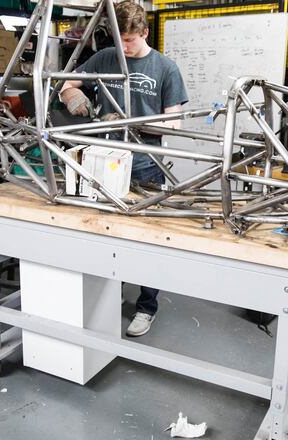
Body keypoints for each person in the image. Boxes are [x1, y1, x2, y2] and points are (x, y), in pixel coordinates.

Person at [60, 0, 188, 337]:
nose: (124, 48)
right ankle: (108, 295)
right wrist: (73, 96)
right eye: (119, 41)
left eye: (129, 40)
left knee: (147, 240)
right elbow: (66, 83)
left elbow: (173, 124)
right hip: (103, 162)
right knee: (102, 232)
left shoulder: (165, 68)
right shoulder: (104, 58)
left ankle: (147, 306)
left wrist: (135, 124)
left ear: (144, 32)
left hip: (146, 166)